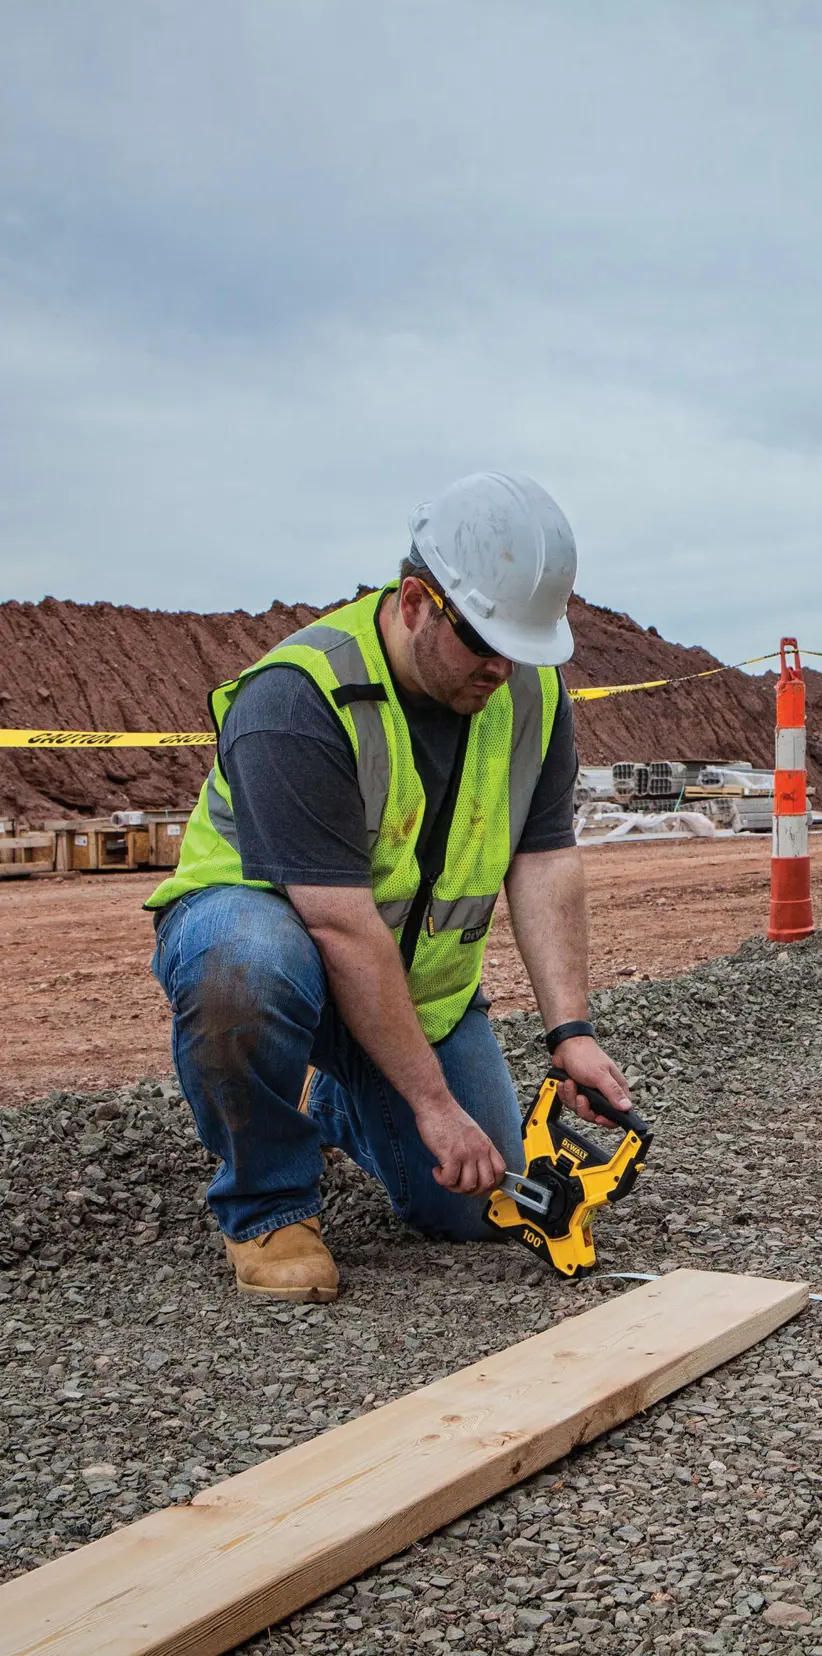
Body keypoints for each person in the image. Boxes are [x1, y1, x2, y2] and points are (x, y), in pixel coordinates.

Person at [146, 472, 631, 1302]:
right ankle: (268, 1205)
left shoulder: (530, 695)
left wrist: (571, 1030)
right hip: (275, 941)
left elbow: (544, 857)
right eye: (484, 642)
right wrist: (435, 1105)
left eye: (521, 647)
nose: (503, 668)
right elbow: (336, 924)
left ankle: (343, 1105)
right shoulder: (298, 700)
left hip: (412, 990)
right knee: (247, 963)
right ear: (415, 602)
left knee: (479, 1207)